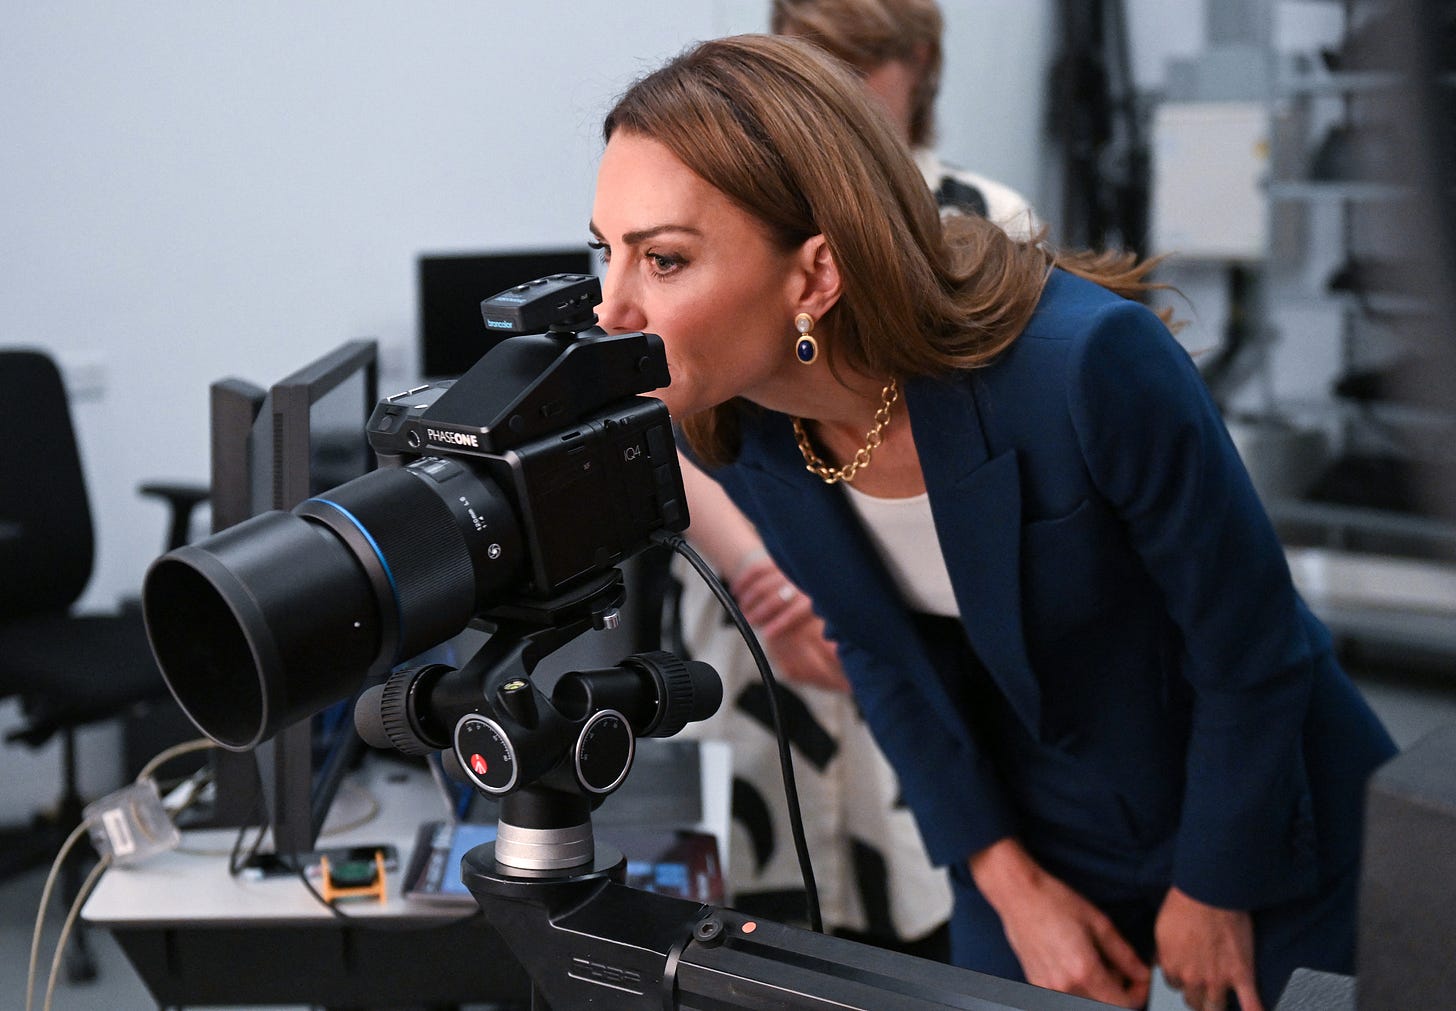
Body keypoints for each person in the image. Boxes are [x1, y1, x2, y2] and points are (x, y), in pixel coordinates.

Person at [589, 33, 1398, 1011]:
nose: (611, 310)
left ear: (815, 276)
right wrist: (1010, 885)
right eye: (606, 252)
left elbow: (1252, 644)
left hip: (1253, 796)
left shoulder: (1086, 366)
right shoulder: (745, 426)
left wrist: (1213, 887)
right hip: (1036, 816)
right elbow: (879, 655)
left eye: (663, 260)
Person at [665, 0, 1038, 959]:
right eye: (810, 58)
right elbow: (658, 415)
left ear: (921, 64)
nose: (830, 88)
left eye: (858, 63)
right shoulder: (717, 209)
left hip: (915, 624)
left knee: (924, 902)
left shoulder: (988, 223)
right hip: (751, 613)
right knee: (755, 925)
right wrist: (762, 571)